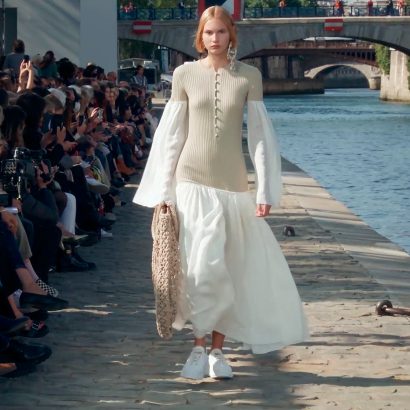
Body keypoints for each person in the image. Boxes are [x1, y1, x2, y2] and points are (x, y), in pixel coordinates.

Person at [133, 6, 308, 380]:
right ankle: (198, 347)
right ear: (200, 36)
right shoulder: (184, 74)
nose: (215, 39)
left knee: (228, 271)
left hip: (233, 187)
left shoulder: (248, 77)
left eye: (221, 32)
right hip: (190, 185)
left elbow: (259, 136)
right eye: (209, 32)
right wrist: (163, 190)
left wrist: (265, 189)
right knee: (199, 271)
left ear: (232, 36)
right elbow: (171, 136)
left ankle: (217, 351)